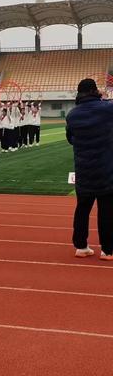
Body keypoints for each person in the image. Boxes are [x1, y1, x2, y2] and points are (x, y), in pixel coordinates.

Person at [66, 78, 113, 261]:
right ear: (95, 91)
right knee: (107, 211)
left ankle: (81, 246)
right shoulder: (107, 109)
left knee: (82, 209)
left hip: (84, 170)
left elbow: (71, 139)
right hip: (106, 169)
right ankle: (107, 250)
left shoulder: (72, 115)